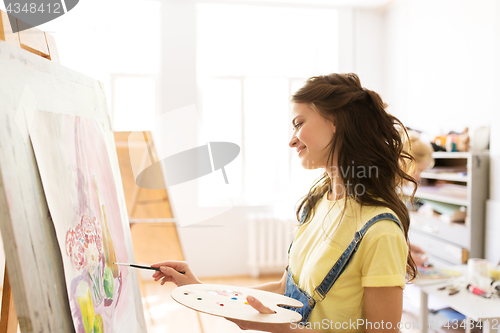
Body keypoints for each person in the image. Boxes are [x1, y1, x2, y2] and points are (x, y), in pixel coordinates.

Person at [151, 73, 419, 332]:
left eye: (299, 123)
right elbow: (284, 289)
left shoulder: (380, 231)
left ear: (335, 122)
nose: (292, 140)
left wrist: (285, 330)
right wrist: (200, 291)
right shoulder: (318, 203)